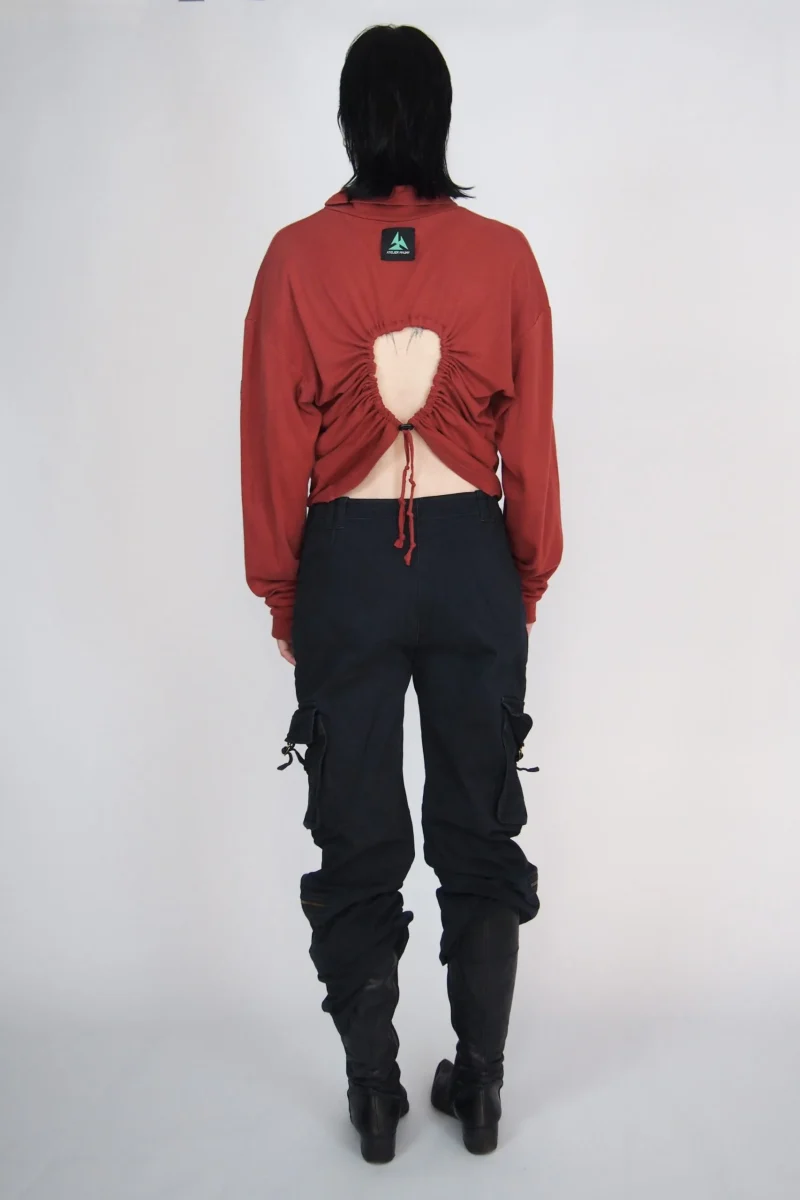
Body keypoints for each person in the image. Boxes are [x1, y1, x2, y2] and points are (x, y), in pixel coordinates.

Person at [239, 22, 563, 1164]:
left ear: (349, 121)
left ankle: (374, 1095)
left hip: (349, 566)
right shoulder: (505, 256)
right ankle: (480, 1087)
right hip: (473, 558)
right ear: (440, 118)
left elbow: (272, 449)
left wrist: (284, 593)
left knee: (357, 830)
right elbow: (533, 440)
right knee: (478, 822)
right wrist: (525, 573)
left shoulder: (294, 259)